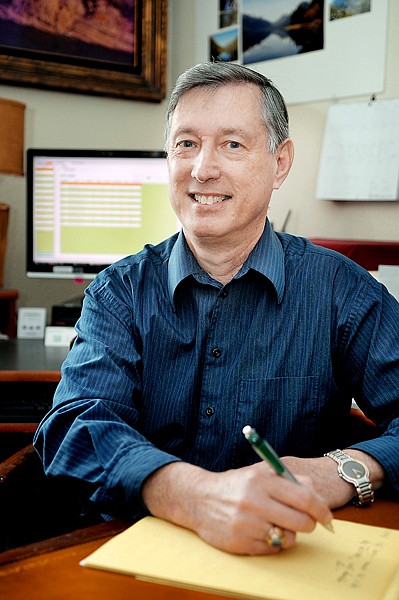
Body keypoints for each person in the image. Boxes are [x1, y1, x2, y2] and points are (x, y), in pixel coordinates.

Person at [34, 62, 399, 556]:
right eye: (185, 143)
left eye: (232, 144)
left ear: (280, 163)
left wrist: (340, 470)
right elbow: (73, 426)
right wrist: (195, 495)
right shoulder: (118, 291)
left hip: (290, 554)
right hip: (142, 553)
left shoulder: (339, 289)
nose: (202, 169)